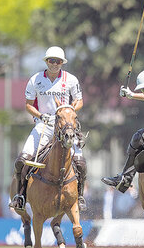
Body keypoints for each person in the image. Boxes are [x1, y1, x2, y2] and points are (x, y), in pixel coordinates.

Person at [8, 46, 87, 211]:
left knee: (80, 164)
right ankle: (20, 195)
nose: (55, 64)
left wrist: (70, 110)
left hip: (65, 127)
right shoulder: (35, 79)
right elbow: (28, 105)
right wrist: (40, 115)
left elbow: (79, 101)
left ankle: (79, 197)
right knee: (22, 160)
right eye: (51, 61)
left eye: (58, 61)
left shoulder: (71, 79)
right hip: (43, 125)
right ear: (46, 61)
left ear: (62, 63)